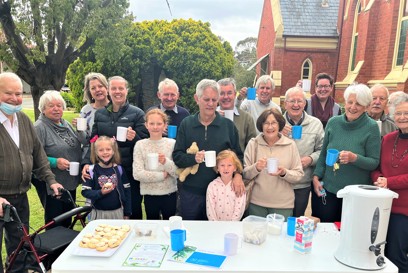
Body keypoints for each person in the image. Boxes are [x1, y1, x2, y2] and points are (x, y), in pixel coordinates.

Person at [0, 72, 62, 272]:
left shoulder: (23, 120)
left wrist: (50, 180)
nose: (15, 98)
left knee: (20, 248)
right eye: (9, 93)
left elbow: (38, 154)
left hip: (20, 197)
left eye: (18, 93)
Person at [173, 79, 245, 220]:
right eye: (206, 99)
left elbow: (239, 156)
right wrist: (194, 159)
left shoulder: (227, 126)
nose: (211, 104)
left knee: (217, 235)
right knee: (191, 233)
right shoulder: (186, 124)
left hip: (221, 193)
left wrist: (238, 175)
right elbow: (177, 156)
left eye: (214, 99)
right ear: (197, 99)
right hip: (191, 193)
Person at [312, 84, 381, 222]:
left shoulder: (372, 127)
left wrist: (355, 158)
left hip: (354, 193)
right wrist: (316, 177)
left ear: (366, 106)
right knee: (325, 229)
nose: (353, 107)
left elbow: (374, 162)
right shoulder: (333, 123)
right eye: (350, 102)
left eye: (359, 104)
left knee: (347, 232)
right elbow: (324, 154)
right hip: (329, 188)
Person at [87, 76, 149, 219]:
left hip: (130, 171)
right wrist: (87, 164)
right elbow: (93, 140)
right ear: (108, 90)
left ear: (127, 91)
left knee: (133, 209)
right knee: (108, 206)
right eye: (114, 88)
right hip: (106, 170)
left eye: (121, 88)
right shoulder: (100, 114)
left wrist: (135, 138)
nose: (117, 92)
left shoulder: (138, 113)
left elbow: (145, 145)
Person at [34, 91, 87, 227]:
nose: (56, 109)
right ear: (43, 109)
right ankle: (54, 248)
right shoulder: (40, 127)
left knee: (67, 218)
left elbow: (81, 142)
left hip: (69, 180)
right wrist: (55, 162)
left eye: (59, 105)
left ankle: (66, 247)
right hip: (51, 182)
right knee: (55, 221)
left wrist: (80, 130)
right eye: (51, 106)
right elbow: (32, 155)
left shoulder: (65, 123)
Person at [243, 108, 304, 219]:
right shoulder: (253, 144)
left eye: (273, 123)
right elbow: (245, 174)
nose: (270, 127)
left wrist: (284, 173)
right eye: (266, 123)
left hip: (283, 205)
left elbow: (299, 175)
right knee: (256, 235)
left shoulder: (290, 145)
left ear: (279, 125)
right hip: (256, 204)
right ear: (261, 126)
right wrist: (256, 167)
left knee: (279, 236)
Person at [371, 93, 408, 273]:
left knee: (396, 254)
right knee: (377, 251)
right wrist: (378, 179)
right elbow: (376, 166)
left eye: (406, 113)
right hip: (382, 204)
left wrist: (389, 182)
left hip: (403, 208)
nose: (402, 118)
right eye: (399, 113)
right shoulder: (388, 139)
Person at [282, 87, 324, 217]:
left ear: (305, 104)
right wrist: (277, 133)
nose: (296, 105)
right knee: (279, 219)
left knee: (296, 219)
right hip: (280, 182)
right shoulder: (276, 123)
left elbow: (322, 150)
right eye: (292, 101)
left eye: (299, 101)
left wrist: (311, 159)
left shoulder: (315, 124)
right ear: (285, 104)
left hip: (302, 183)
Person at [133, 109, 178, 220]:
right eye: (152, 123)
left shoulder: (172, 144)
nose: (155, 127)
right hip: (150, 195)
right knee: (153, 225)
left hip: (169, 194)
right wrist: (161, 176)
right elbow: (137, 174)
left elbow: (177, 172)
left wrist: (165, 162)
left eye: (159, 124)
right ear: (146, 125)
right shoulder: (140, 145)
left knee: (170, 225)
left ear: (165, 125)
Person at [81, 135, 131, 220]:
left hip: (117, 212)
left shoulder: (119, 169)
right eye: (101, 150)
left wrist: (127, 212)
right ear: (96, 152)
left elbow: (127, 191)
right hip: (98, 213)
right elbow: (85, 192)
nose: (105, 152)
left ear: (113, 151)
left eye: (108, 149)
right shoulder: (91, 170)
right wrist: (100, 192)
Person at [217, 78, 257, 152]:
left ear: (235, 94)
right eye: (221, 93)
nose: (226, 97)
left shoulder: (246, 118)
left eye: (229, 93)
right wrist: (214, 119)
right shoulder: (209, 117)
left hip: (239, 162)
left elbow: (252, 148)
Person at [77, 72, 110, 159]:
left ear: (107, 88)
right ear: (90, 92)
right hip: (90, 157)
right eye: (93, 88)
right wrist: (79, 130)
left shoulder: (115, 108)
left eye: (100, 86)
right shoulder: (85, 110)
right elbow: (84, 141)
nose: (97, 90)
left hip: (111, 157)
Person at [206, 150, 246, 221]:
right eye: (222, 165)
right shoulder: (212, 186)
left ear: (235, 168)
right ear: (217, 167)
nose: (226, 168)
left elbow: (239, 208)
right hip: (215, 227)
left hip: (233, 227)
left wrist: (231, 225)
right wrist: (214, 224)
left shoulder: (238, 186)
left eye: (229, 165)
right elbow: (210, 210)